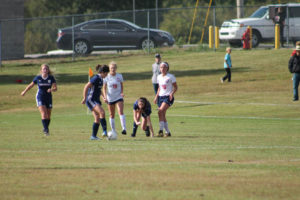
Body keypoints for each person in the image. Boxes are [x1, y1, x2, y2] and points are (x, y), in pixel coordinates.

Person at [21, 64, 57, 136]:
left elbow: (55, 88)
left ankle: (45, 127)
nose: (45, 70)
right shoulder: (38, 78)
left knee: (48, 115)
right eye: (44, 69)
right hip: (40, 97)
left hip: (48, 98)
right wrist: (24, 91)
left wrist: (51, 89)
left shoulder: (51, 78)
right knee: (44, 114)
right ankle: (46, 131)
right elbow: (30, 85)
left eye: (46, 69)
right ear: (41, 70)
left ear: (48, 70)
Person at [82, 65, 109, 140]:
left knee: (97, 118)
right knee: (102, 112)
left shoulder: (101, 79)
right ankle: (104, 131)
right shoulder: (96, 78)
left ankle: (93, 136)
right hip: (91, 100)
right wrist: (84, 97)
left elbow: (98, 89)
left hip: (96, 100)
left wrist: (103, 97)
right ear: (103, 72)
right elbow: (86, 86)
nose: (107, 75)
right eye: (106, 73)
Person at [154, 62, 178, 137]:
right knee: (162, 114)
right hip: (160, 97)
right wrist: (156, 96)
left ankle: (160, 131)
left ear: (167, 68)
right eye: (161, 67)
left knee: (160, 111)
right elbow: (159, 88)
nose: (162, 69)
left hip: (168, 97)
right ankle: (167, 132)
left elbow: (176, 87)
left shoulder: (170, 76)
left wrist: (171, 93)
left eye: (164, 67)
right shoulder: (158, 77)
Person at [103, 61, 127, 135]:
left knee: (120, 111)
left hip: (118, 96)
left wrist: (122, 92)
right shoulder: (106, 77)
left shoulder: (119, 76)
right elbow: (104, 88)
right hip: (110, 98)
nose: (112, 69)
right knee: (111, 114)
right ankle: (113, 130)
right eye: (111, 68)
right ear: (109, 69)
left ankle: (124, 128)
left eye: (114, 68)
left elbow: (122, 85)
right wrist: (105, 97)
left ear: (116, 68)